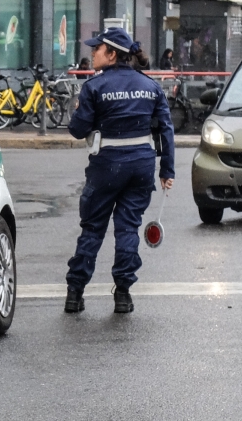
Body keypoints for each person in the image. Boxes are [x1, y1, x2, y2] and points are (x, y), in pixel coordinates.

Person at [64, 27, 174, 314]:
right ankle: (123, 294)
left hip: (106, 165)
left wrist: (80, 111)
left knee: (92, 229)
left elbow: (78, 130)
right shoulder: (150, 86)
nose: (92, 53)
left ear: (112, 54)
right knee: (128, 228)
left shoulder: (94, 87)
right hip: (141, 166)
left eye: (97, 49)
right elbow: (166, 129)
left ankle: (75, 293)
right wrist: (167, 170)